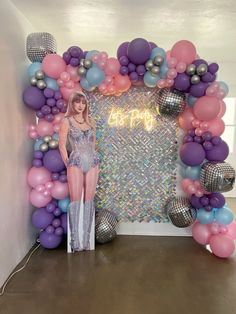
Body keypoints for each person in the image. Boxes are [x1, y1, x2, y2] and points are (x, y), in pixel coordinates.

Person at [59, 91, 99, 252]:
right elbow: (62, 145)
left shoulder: (91, 122)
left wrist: (94, 158)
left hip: (93, 161)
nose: (80, 105)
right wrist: (67, 162)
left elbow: (93, 143)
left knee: (89, 200)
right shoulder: (67, 121)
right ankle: (75, 241)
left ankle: (86, 240)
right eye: (77, 102)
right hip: (75, 161)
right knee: (75, 200)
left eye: (83, 102)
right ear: (72, 104)